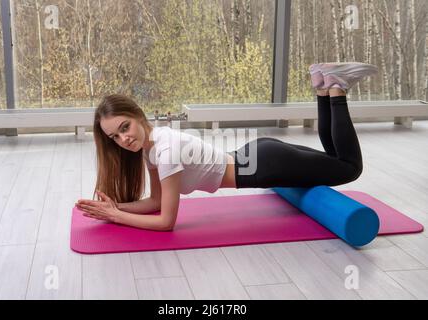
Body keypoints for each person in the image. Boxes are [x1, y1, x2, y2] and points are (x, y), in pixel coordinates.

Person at [76, 62, 378, 231]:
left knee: (350, 167)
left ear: (138, 116)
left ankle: (335, 87)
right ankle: (323, 86)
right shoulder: (155, 145)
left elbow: (166, 221)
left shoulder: (164, 151)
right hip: (259, 156)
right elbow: (156, 202)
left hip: (265, 164)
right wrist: (116, 207)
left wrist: (116, 216)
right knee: (334, 159)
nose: (123, 139)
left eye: (124, 127)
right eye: (114, 137)